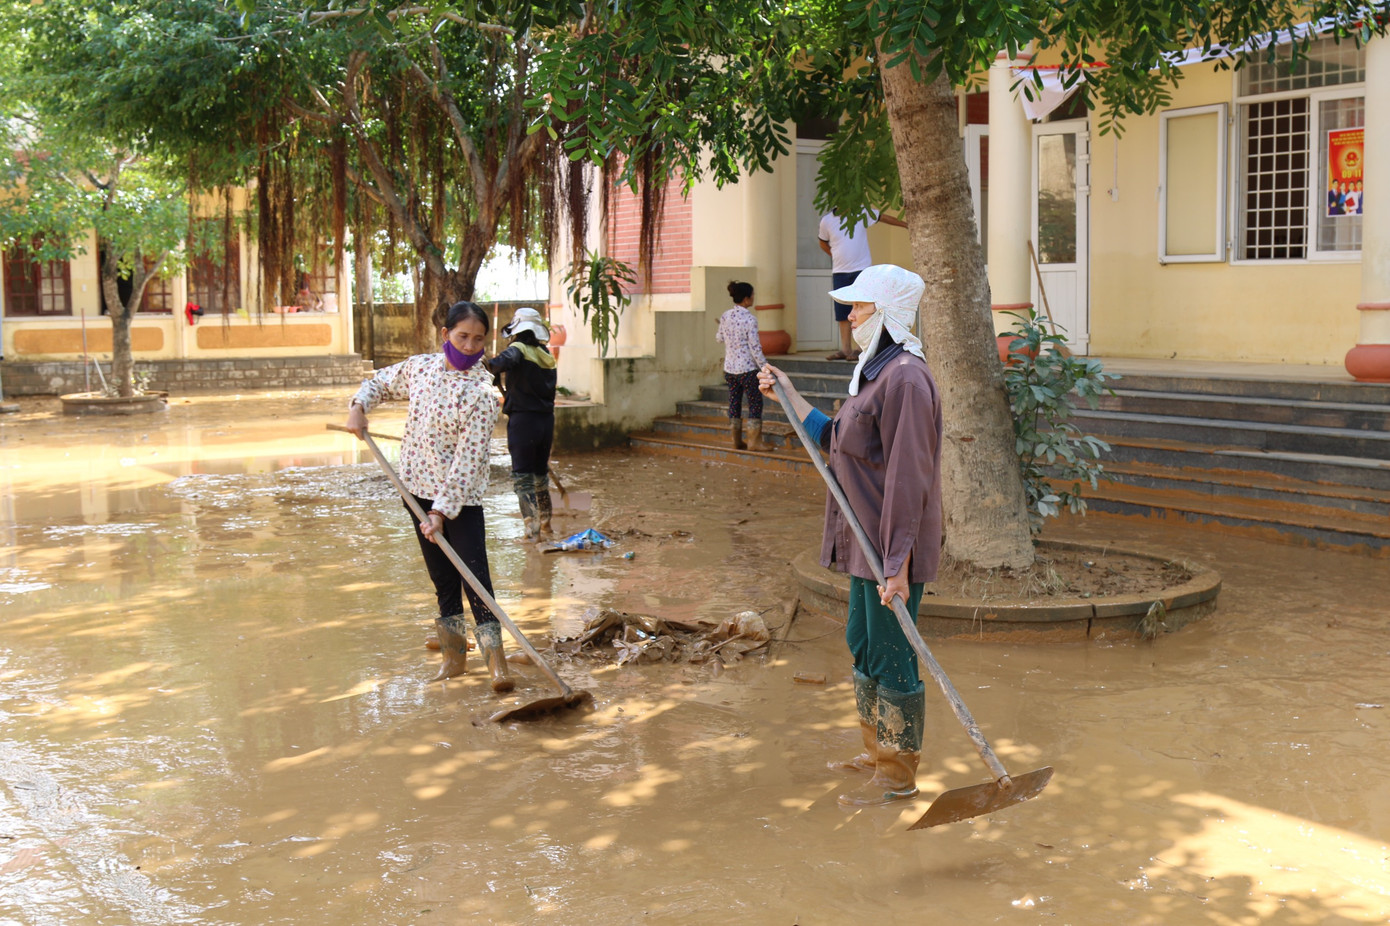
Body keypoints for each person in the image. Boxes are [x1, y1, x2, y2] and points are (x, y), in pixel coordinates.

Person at [758, 263, 942, 807]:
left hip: (888, 543)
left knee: (892, 654)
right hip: (864, 537)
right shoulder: (875, 371)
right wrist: (788, 395)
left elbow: (910, 477)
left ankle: (898, 778)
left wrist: (898, 564)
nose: (851, 314)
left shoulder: (906, 377)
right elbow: (839, 438)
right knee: (863, 643)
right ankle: (875, 752)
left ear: (885, 314)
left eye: (860, 307)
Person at [344, 300, 515, 694]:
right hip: (413, 490)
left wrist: (441, 511)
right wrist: (358, 406)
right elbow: (379, 383)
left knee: (475, 579)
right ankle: (454, 659)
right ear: (445, 335)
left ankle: (497, 666)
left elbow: (468, 461)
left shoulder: (483, 394)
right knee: (442, 578)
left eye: (477, 339)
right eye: (462, 336)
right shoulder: (420, 368)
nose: (470, 346)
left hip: (459, 502)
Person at [488, 307, 559, 541]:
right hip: (546, 422)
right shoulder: (547, 355)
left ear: (516, 329)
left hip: (523, 422)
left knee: (522, 476)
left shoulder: (517, 349)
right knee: (540, 473)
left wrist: (490, 365)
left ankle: (532, 529)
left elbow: (498, 363)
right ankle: (546, 520)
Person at [817, 209, 908, 361]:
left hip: (862, 270)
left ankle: (861, 348)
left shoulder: (860, 211)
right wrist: (836, 256)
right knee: (842, 311)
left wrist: (905, 224)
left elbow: (882, 217)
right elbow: (822, 242)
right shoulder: (827, 221)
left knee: (863, 309)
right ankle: (845, 349)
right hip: (840, 271)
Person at [716, 281, 770, 452]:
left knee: (734, 402)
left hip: (730, 369)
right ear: (746, 299)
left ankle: (736, 441)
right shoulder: (750, 319)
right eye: (752, 295)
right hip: (747, 369)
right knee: (755, 403)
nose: (753, 298)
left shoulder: (725, 316)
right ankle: (754, 442)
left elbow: (719, 338)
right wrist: (765, 367)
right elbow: (755, 347)